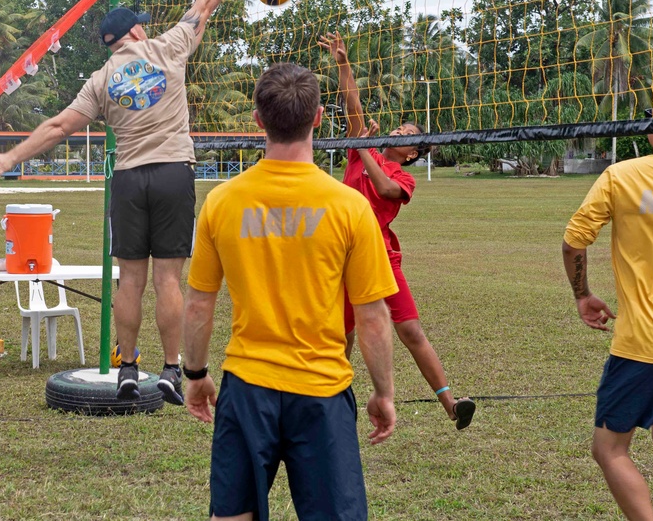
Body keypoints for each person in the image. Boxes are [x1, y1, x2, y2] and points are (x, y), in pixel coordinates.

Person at [0, 0, 252, 404]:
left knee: (131, 279)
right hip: (172, 173)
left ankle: (128, 368)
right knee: (169, 279)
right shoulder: (168, 48)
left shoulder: (100, 80)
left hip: (127, 178)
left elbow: (59, 126)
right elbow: (203, 6)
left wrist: (9, 159)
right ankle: (170, 370)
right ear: (137, 34)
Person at [183, 62, 398, 521]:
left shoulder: (222, 201)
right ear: (319, 117)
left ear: (258, 120)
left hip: (246, 389)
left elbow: (200, 301)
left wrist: (195, 372)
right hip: (321, 393)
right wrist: (384, 392)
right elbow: (373, 316)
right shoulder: (350, 207)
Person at [562, 86, 653, 521]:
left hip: (645, 344)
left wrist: (582, 295)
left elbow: (574, 243)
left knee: (609, 450)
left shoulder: (623, 175)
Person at [319, 31, 476, 430]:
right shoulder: (365, 147)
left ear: (412, 154)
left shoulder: (402, 178)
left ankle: (452, 405)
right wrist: (343, 65)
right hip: (342, 252)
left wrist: (364, 149)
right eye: (401, 129)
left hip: (381, 256)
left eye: (408, 137)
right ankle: (331, 396)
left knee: (410, 331)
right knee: (344, 333)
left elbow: (386, 189)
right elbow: (352, 103)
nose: (402, 134)